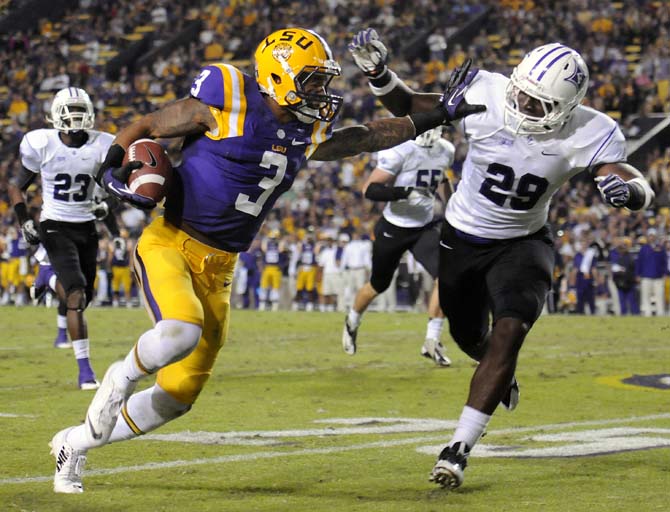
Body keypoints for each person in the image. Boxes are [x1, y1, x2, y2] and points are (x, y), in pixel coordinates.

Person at [48, 27, 482, 493]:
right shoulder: (228, 96)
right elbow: (149, 126)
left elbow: (366, 137)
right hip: (171, 242)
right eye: (312, 80)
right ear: (277, 77)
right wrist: (111, 164)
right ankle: (122, 375)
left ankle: (73, 443)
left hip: (222, 266)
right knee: (180, 331)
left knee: (178, 397)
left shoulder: (306, 125)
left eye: (323, 80)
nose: (322, 91)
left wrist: (439, 113)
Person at [349, 29, 655, 489]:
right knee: (470, 337)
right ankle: (498, 376)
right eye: (522, 94)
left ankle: (458, 449)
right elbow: (413, 107)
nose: (524, 107)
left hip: (523, 242)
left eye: (538, 103)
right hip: (461, 236)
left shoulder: (592, 129)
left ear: (567, 107)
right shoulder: (487, 90)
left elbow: (633, 180)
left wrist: (629, 192)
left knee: (510, 331)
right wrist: (379, 74)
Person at [8, 87, 120, 390]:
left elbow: (114, 188)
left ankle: (46, 276)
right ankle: (85, 372)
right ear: (56, 114)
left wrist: (108, 207)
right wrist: (24, 221)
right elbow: (17, 186)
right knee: (76, 295)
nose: (75, 116)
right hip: (55, 224)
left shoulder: (103, 145)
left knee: (86, 296)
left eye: (80, 110)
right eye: (70, 110)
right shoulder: (41, 143)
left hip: (86, 227)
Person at [342, 126, 455, 366]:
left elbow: (442, 178)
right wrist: (404, 192)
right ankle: (352, 321)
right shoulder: (400, 150)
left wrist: (451, 207)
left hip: (423, 227)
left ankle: (431, 341)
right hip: (394, 227)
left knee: (446, 276)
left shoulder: (446, 150)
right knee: (377, 285)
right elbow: (370, 189)